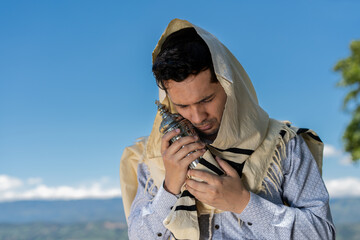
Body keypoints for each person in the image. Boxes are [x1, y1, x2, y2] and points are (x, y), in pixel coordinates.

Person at [120, 19, 335, 240]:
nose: (197, 117)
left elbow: (321, 234)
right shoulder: (156, 156)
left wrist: (243, 202)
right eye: (183, 106)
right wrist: (170, 187)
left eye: (207, 99)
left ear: (230, 86)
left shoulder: (284, 145)